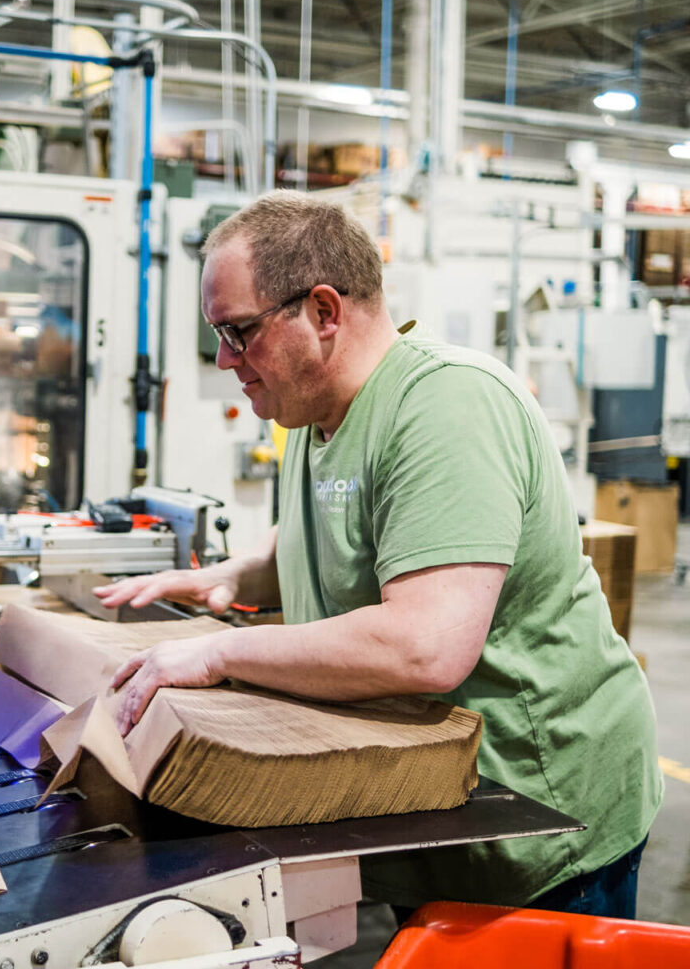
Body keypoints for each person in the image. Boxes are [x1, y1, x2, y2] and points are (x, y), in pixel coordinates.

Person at [94, 190, 662, 918]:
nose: (223, 356)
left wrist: (219, 656)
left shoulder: (447, 406)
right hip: (425, 800)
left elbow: (426, 647)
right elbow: (346, 530)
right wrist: (236, 575)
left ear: (324, 312)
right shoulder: (314, 409)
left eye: (238, 331)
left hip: (534, 812)